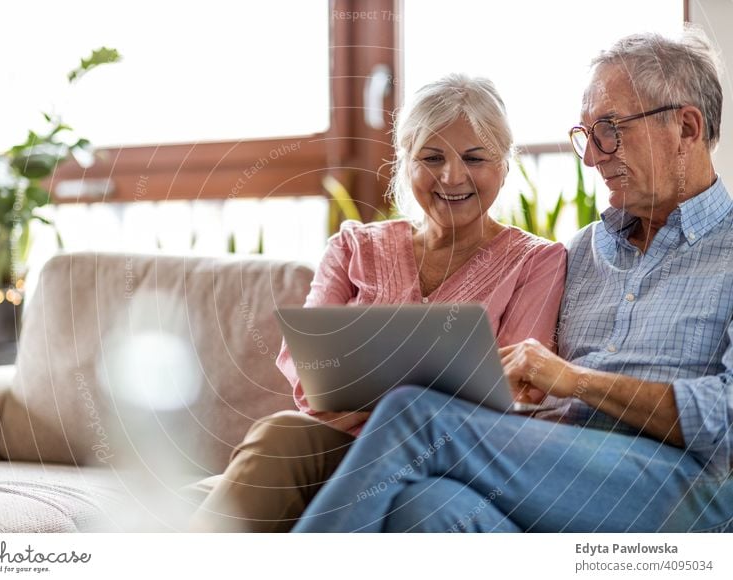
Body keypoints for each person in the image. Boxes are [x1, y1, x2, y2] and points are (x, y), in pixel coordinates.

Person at [293, 27, 733, 533]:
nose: (591, 156)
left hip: (680, 487)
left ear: (687, 127)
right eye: (586, 136)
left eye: (610, 129)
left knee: (415, 413)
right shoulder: (581, 252)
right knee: (423, 507)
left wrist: (576, 381)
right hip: (553, 466)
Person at [189, 73, 566, 532]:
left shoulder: (537, 262)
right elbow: (310, 375)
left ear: (504, 165)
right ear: (405, 163)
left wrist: (384, 403)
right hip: (341, 443)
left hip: (444, 459)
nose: (452, 176)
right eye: (431, 157)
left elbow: (513, 391)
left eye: (475, 158)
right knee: (283, 431)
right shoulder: (353, 246)